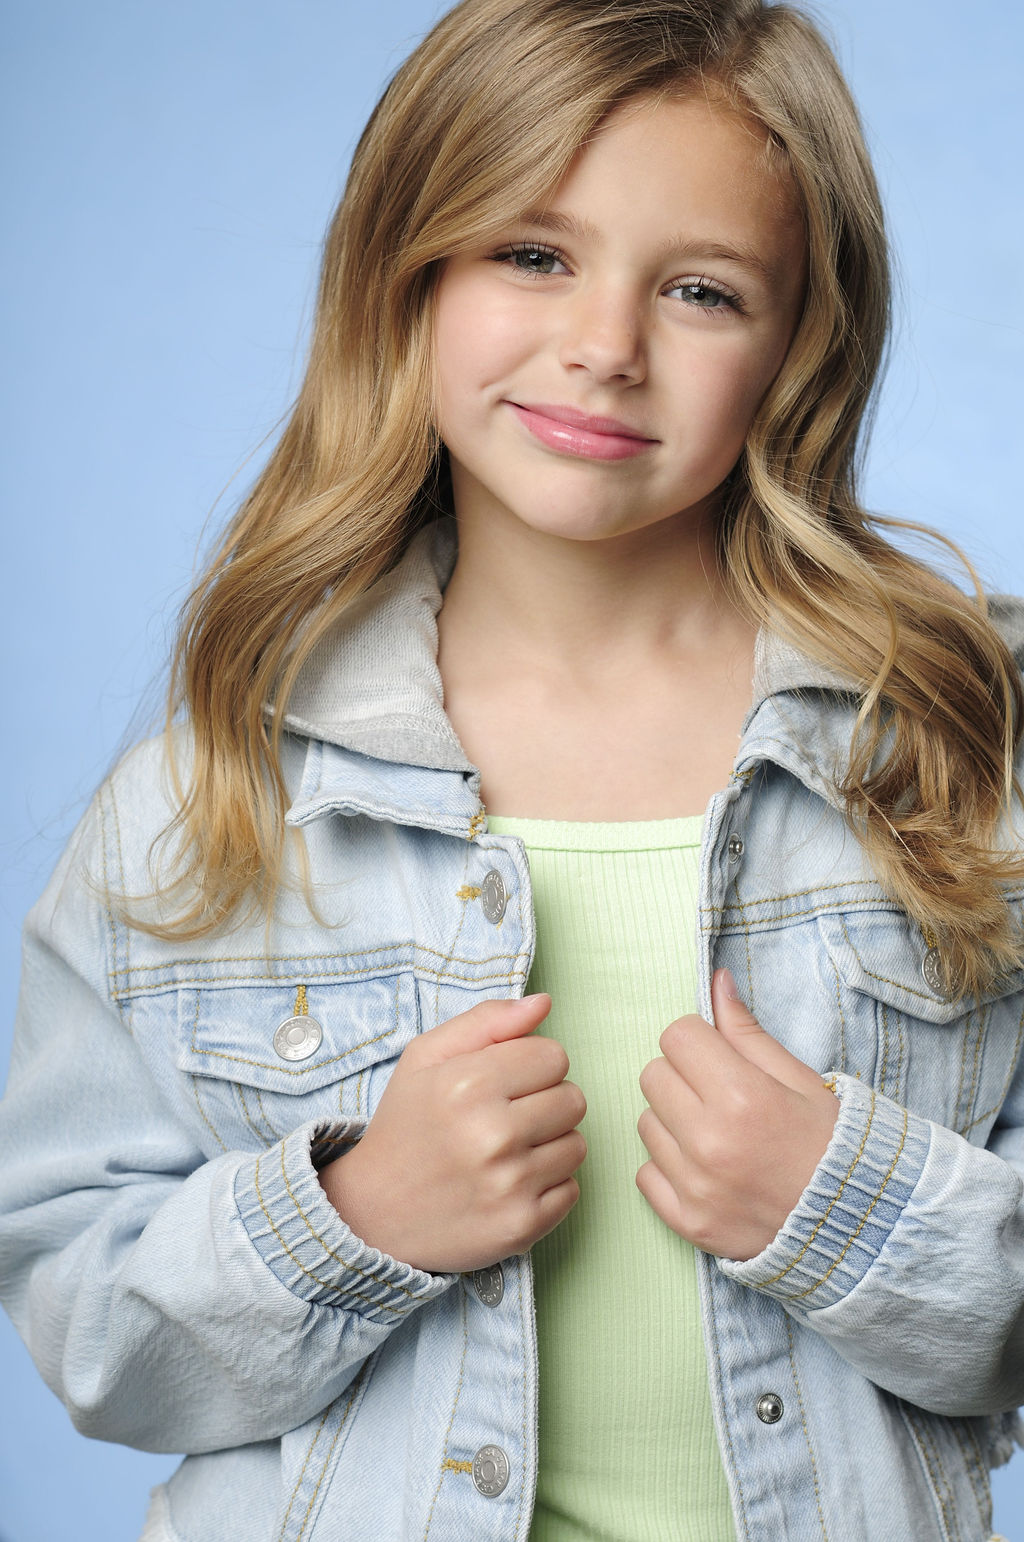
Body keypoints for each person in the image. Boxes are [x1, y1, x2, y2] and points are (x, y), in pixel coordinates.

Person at [1, 0, 1023, 1537]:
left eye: (700, 289)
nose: (605, 346)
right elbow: (88, 1321)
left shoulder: (953, 758)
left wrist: (855, 1211)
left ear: (800, 345)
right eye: (532, 254)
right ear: (406, 273)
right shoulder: (215, 799)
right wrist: (352, 1215)